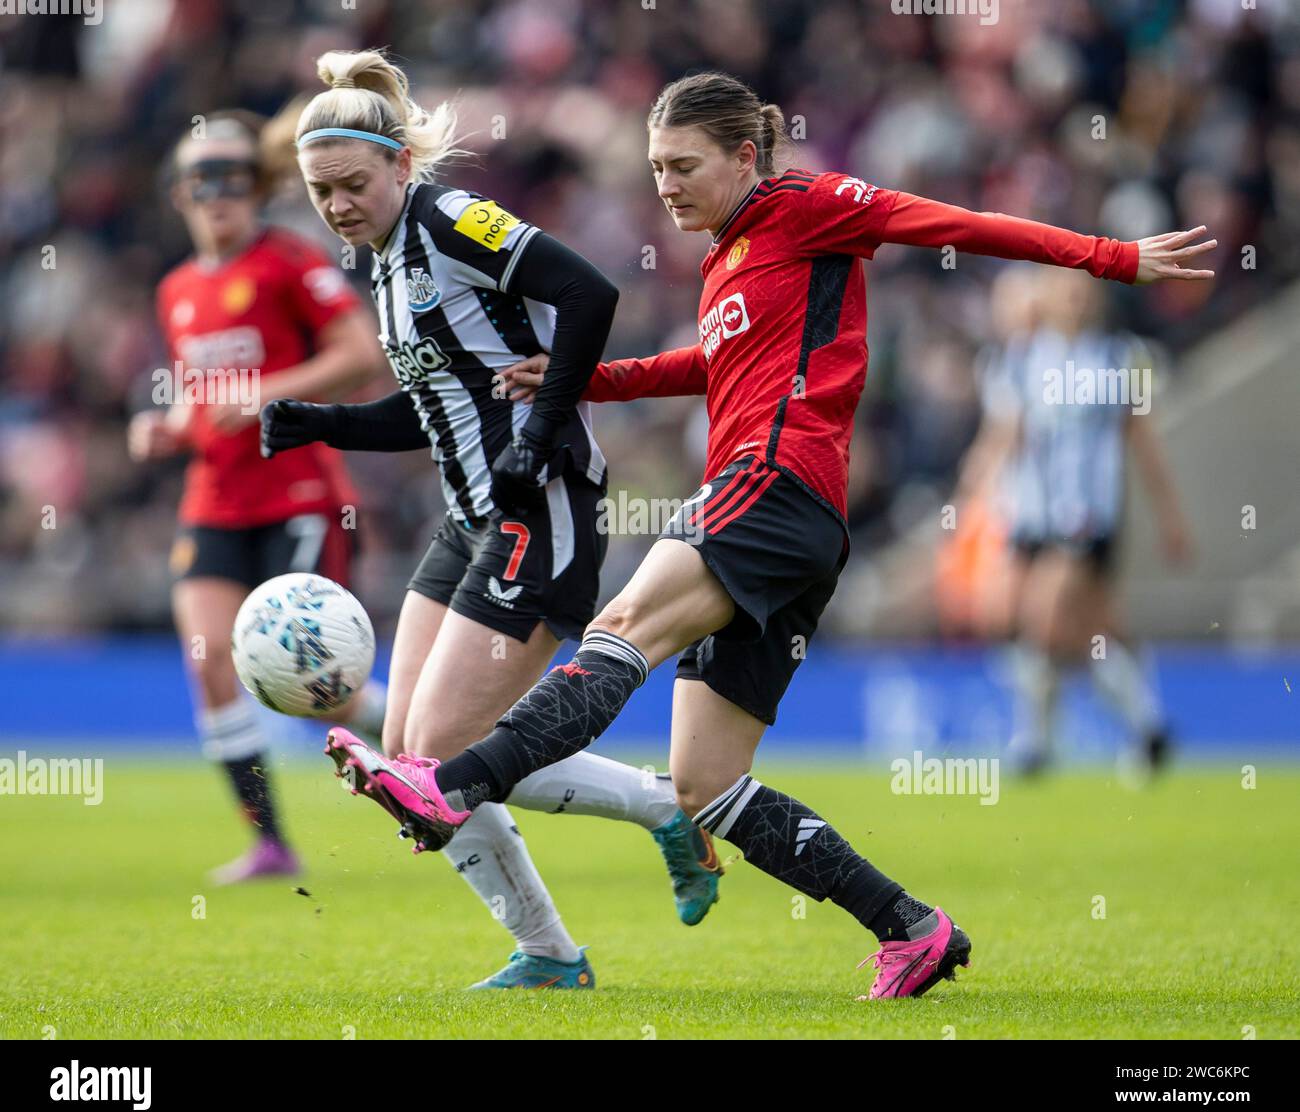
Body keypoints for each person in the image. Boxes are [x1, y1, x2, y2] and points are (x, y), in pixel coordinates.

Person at [325, 70, 1215, 999]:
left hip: (774, 483)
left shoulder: (809, 204)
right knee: (706, 782)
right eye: (654, 168)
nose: (664, 186)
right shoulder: (729, 254)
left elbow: (951, 224)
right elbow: (714, 364)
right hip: (791, 518)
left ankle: (451, 787)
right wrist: (587, 378)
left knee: (623, 624)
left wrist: (1112, 259)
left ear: (746, 156)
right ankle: (912, 929)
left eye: (682, 165)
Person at [261, 49, 721, 990]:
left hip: (539, 508)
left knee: (430, 762)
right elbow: (436, 405)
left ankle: (647, 830)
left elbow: (591, 292)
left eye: (353, 184)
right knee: (409, 758)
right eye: (320, 192)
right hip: (467, 520)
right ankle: (559, 943)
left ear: (398, 165)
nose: (339, 205)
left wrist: (541, 430)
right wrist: (322, 421)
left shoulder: (447, 220)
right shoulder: (386, 263)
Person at [129, 110, 389, 885]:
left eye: (234, 183)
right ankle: (271, 843)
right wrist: (169, 430)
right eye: (201, 185)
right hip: (214, 500)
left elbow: (361, 355)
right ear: (178, 195)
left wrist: (266, 394)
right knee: (212, 665)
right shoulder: (176, 289)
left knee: (321, 694)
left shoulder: (290, 261)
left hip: (300, 496)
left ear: (257, 188)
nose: (218, 199)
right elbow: (204, 401)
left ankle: (421, 739)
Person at [957, 266, 1192, 779]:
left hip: (1086, 517)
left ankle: (1035, 744)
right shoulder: (1019, 361)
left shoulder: (1117, 358)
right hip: (1030, 515)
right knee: (1026, 621)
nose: (1076, 302)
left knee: (1046, 620)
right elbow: (1003, 436)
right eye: (1067, 292)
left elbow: (1143, 442)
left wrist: (1169, 515)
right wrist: (974, 491)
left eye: (1084, 293)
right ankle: (1149, 727)